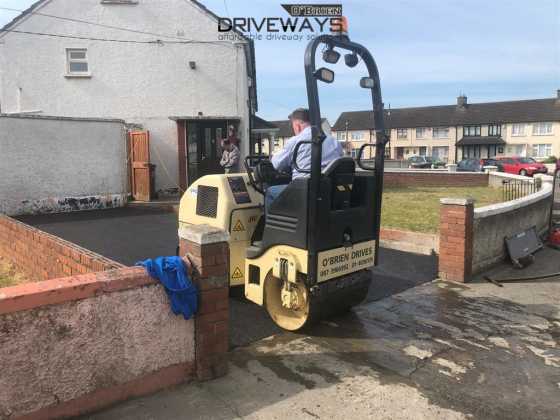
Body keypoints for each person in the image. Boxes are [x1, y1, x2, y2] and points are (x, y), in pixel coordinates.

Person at [265, 107, 344, 213]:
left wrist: (273, 156)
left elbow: (276, 164)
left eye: (293, 127)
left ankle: (272, 227)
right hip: (329, 191)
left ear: (297, 125)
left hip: (304, 190)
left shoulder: (296, 141)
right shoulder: (333, 141)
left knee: (270, 191)